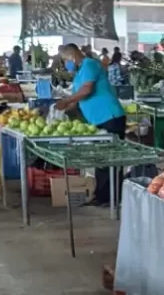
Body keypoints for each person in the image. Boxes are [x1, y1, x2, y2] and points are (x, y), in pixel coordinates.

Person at [54, 42, 127, 206]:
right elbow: (76, 100)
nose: (66, 64)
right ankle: (100, 196)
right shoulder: (80, 73)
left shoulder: (90, 64)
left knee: (111, 159)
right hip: (97, 120)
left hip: (110, 116)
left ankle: (113, 198)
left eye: (66, 60)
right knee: (100, 160)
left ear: (72, 55)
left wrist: (67, 100)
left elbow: (87, 90)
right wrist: (59, 110)